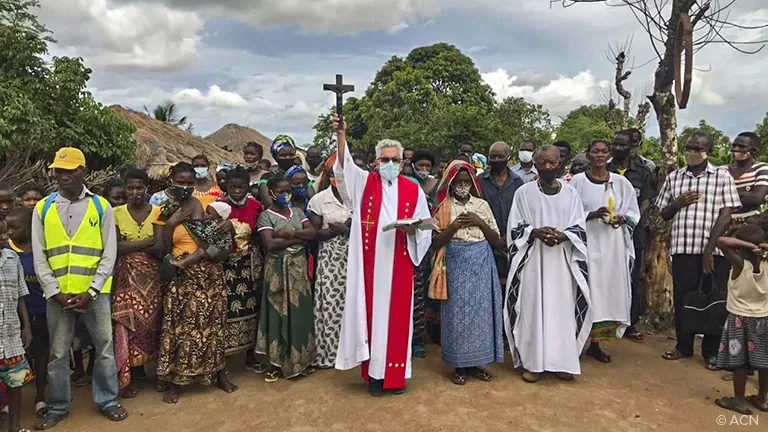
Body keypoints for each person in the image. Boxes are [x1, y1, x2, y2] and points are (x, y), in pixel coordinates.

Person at [332, 116, 432, 397]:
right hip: (371, 267)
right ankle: (375, 376)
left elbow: (424, 224)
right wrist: (342, 137)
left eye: (395, 160)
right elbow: (345, 168)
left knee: (399, 321)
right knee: (374, 319)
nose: (390, 164)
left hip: (400, 260)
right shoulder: (365, 183)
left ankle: (396, 376)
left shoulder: (413, 188)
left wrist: (414, 229)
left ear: (402, 162)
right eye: (385, 159)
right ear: (376, 162)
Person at [31, 147, 126, 429]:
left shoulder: (101, 207)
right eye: (59, 171)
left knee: (104, 347)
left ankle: (108, 400)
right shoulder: (43, 208)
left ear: (83, 171)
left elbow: (109, 252)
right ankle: (58, 406)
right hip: (57, 295)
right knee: (58, 353)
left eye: (70, 171)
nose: (63, 177)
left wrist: (93, 290)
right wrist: (54, 291)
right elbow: (40, 255)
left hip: (93, 294)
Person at [504, 145, 592, 384]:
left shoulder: (571, 193)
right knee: (533, 309)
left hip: (561, 261)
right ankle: (534, 364)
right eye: (542, 162)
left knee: (561, 311)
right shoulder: (524, 192)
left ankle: (562, 362)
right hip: (533, 261)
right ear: (535, 163)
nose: (547, 167)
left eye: (552, 162)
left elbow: (579, 225)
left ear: (560, 163)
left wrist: (564, 236)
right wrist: (535, 232)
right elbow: (514, 226)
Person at [657, 132, 741, 368]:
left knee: (715, 299)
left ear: (708, 151)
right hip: (683, 248)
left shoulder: (721, 176)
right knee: (683, 298)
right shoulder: (674, 177)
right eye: (689, 147)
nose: (692, 152)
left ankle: (711, 352)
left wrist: (709, 249)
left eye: (697, 148)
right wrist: (678, 203)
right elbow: (663, 213)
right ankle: (683, 346)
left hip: (714, 252)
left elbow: (727, 214)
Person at [155, 162, 231, 404]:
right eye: (181, 181)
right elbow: (161, 249)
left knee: (214, 325)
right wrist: (171, 224)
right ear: (171, 180)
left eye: (190, 182)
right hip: (182, 274)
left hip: (209, 274)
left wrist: (226, 225)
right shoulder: (165, 209)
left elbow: (213, 235)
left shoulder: (200, 204)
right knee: (183, 329)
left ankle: (219, 373)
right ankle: (177, 382)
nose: (186, 186)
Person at [430, 160, 504, 385]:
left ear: (473, 182)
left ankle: (477, 364)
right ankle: (459, 365)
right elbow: (434, 243)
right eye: (458, 181)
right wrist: (452, 228)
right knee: (457, 314)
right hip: (455, 262)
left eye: (466, 181)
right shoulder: (443, 207)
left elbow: (497, 241)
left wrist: (479, 222)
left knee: (481, 314)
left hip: (481, 261)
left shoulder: (482, 205)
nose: (462, 185)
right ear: (450, 183)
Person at [570, 140, 640, 363]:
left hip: (612, 247)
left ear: (609, 155)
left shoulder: (621, 183)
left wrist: (621, 219)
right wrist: (591, 214)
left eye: (603, 151)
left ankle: (595, 343)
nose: (599, 155)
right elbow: (568, 212)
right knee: (583, 288)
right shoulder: (577, 182)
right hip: (587, 244)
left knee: (604, 291)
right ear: (588, 155)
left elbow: (633, 212)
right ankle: (573, 340)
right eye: (595, 151)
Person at [256, 177, 317, 382]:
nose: (285, 194)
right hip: (277, 271)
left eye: (288, 190)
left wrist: (289, 233)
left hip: (298, 270)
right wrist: (299, 238)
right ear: (271, 192)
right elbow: (270, 244)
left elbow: (312, 232)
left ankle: (302, 360)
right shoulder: (265, 216)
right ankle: (276, 363)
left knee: (299, 312)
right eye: (280, 191)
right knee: (277, 312)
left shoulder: (298, 212)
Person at [111, 169, 163, 398]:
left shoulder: (157, 211)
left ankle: (157, 372)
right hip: (127, 278)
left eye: (139, 188)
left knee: (155, 322)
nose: (135, 193)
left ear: (146, 189)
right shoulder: (115, 213)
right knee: (128, 324)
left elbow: (161, 248)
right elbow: (116, 247)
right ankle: (131, 374)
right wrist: (148, 241)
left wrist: (134, 245)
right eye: (130, 188)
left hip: (154, 276)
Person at [607, 130, 656, 343]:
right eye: (614, 145)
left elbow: (645, 201)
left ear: (631, 146)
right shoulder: (604, 169)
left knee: (631, 277)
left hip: (632, 234)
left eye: (622, 145)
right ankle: (605, 319)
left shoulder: (643, 172)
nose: (617, 149)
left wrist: (630, 219)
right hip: (605, 234)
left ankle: (630, 322)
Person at [713, 225, 768, 415]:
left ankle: (739, 400)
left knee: (740, 361)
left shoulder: (740, 264)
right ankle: (762, 398)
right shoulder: (766, 264)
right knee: (763, 361)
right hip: (763, 318)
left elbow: (721, 241)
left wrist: (747, 245)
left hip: (739, 318)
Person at [308, 155, 352, 368]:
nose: (338, 178)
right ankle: (329, 355)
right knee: (331, 304)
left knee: (353, 304)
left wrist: (345, 228)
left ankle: (353, 353)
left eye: (342, 175)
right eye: (334, 175)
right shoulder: (319, 200)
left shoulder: (358, 197)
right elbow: (315, 232)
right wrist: (334, 232)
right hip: (331, 258)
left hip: (355, 256)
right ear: (328, 176)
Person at [219, 167, 264, 370]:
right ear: (226, 187)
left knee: (252, 308)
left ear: (248, 187)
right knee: (225, 309)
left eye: (241, 186)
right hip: (225, 264)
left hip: (249, 264)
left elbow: (258, 234)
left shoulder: (256, 206)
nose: (236, 191)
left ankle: (250, 356)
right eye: (232, 187)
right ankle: (224, 358)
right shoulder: (218, 207)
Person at [6, 208, 48, 419]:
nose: (10, 232)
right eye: (8, 227)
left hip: (41, 311)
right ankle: (8, 403)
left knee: (41, 354)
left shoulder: (42, 249)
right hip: (12, 316)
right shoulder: (7, 250)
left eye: (15, 227)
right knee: (13, 360)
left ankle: (40, 396)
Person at [0, 219, 33, 432]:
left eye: (5, 232)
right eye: (0, 233)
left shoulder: (12, 258)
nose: (5, 237)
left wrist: (26, 327)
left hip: (11, 334)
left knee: (16, 380)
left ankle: (15, 426)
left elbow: (21, 295)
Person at [477, 142, 525, 284]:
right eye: (493, 157)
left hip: (511, 242)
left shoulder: (518, 182)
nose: (496, 160)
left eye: (500, 156)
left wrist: (507, 238)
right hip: (485, 243)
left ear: (508, 158)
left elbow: (522, 213)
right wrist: (494, 239)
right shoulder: (480, 181)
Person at [409, 149, 439, 358]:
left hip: (429, 241)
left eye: (428, 166)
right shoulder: (406, 184)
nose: (424, 170)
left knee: (420, 293)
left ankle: (418, 338)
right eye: (420, 165)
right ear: (413, 165)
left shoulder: (435, 185)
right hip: (406, 240)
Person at [729, 132, 768, 221]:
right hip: (722, 223)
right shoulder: (722, 170)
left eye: (741, 147)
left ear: (753, 151)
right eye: (734, 145)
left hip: (751, 223)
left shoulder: (762, 168)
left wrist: (726, 198)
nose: (736, 149)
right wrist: (745, 194)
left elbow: (756, 199)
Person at [258, 135, 299, 205]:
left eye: (291, 154)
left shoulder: (300, 175)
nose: (288, 158)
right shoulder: (267, 177)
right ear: (275, 157)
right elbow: (269, 203)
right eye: (283, 155)